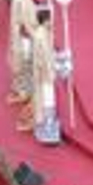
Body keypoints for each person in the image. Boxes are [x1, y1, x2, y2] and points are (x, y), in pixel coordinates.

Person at [8, 0, 38, 122]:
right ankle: (24, 90)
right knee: (26, 62)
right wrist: (34, 33)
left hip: (20, 31)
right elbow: (26, 16)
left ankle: (22, 88)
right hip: (24, 34)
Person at [30, 8, 62, 145]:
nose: (52, 22)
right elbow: (42, 58)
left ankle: (48, 125)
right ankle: (48, 129)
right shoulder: (40, 36)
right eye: (50, 20)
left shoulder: (43, 33)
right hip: (44, 74)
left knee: (48, 99)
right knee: (47, 100)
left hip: (45, 72)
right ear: (45, 20)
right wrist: (50, 71)